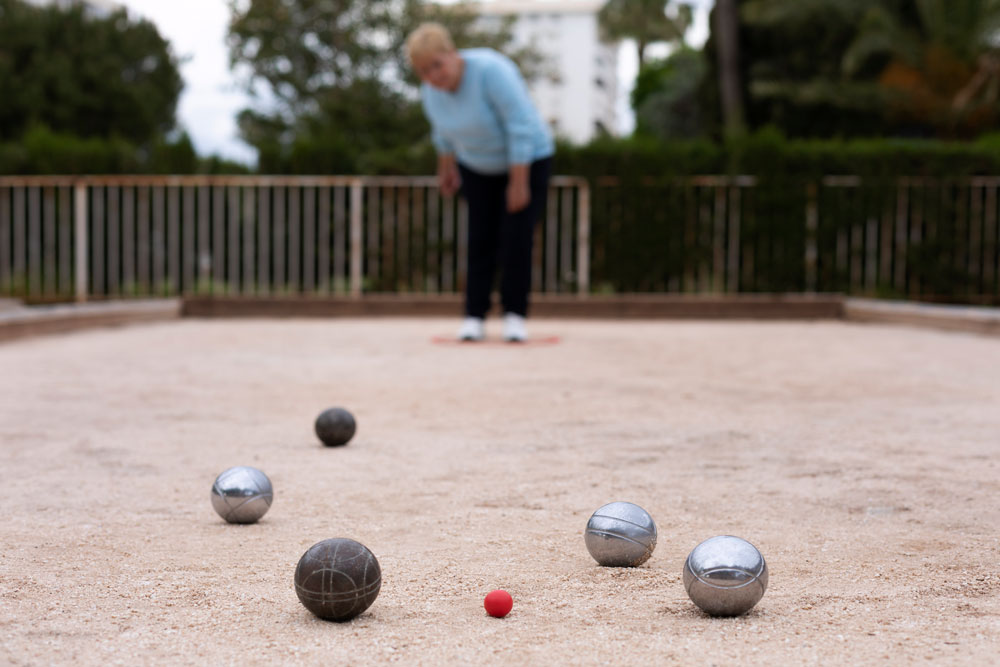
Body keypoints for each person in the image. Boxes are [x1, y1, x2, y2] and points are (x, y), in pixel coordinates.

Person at [406, 22, 554, 342]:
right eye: (424, 71)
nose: (433, 75)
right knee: (479, 239)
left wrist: (518, 183)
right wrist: (446, 170)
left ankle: (514, 316)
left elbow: (519, 126)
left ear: (452, 53)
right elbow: (442, 134)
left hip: (526, 160)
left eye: (437, 65)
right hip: (476, 166)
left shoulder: (491, 70)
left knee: (516, 239)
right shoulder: (431, 93)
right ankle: (474, 316)